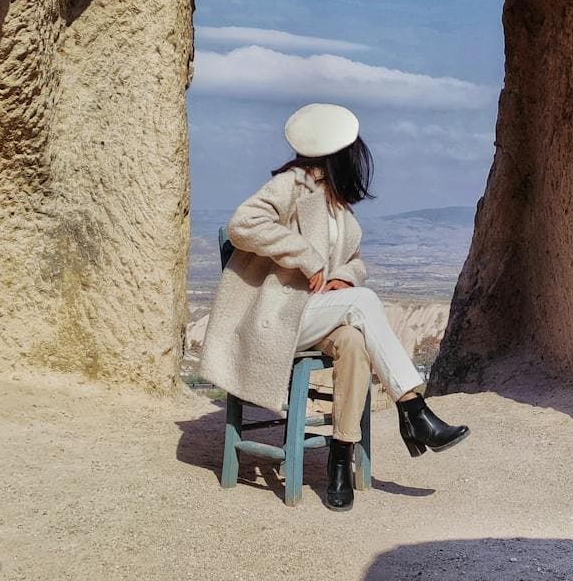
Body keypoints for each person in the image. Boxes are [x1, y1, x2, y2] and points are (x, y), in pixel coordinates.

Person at [201, 103, 469, 511]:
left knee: (355, 343)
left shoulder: (335, 202)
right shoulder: (292, 184)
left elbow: (356, 258)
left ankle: (340, 457)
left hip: (315, 314)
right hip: (280, 317)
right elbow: (243, 224)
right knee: (363, 304)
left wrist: (347, 275)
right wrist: (305, 257)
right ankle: (413, 410)